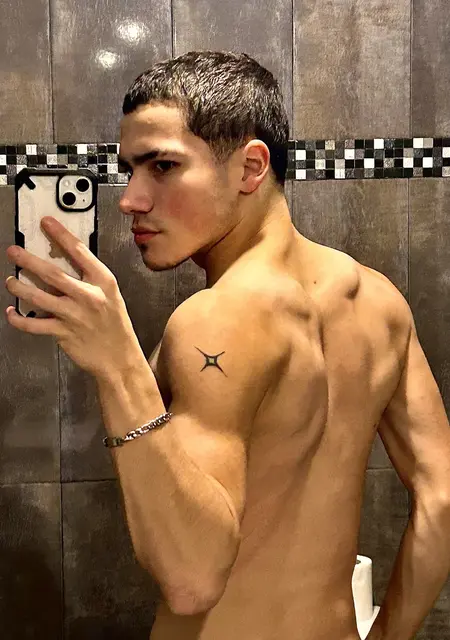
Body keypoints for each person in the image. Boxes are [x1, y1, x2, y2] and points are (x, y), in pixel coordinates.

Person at [115, 51, 450, 640]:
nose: (131, 199)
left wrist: (113, 359)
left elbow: (191, 579)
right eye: (129, 171)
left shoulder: (214, 316)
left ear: (250, 168)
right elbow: (441, 498)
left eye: (162, 166)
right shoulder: (378, 301)